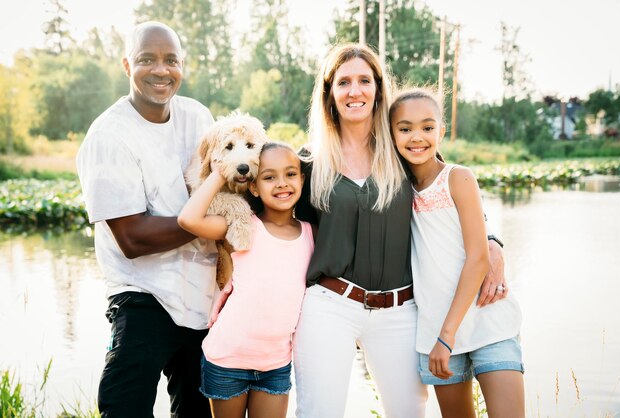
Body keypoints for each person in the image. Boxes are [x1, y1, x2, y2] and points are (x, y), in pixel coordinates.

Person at [293, 43, 509, 418]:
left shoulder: (403, 150)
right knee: (318, 412)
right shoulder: (309, 162)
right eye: (343, 82)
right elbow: (275, 222)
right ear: (329, 93)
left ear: (378, 89)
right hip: (329, 306)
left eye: (364, 80)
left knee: (409, 412)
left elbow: (452, 196)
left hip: (399, 310)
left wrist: (492, 242)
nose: (355, 90)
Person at [76, 21, 216, 417]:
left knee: (197, 410)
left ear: (182, 65)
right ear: (126, 66)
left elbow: (221, 188)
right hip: (141, 297)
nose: (161, 70)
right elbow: (133, 239)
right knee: (124, 408)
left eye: (171, 60)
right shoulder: (108, 136)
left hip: (201, 297)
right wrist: (202, 223)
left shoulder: (197, 117)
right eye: (147, 59)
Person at [389, 86, 525, 417]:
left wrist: (446, 337)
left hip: (486, 322)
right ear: (390, 133)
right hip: (433, 332)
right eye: (405, 128)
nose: (416, 137)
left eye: (427, 127)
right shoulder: (395, 189)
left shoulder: (458, 178)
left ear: (442, 130)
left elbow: (478, 258)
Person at [177, 142, 314, 418]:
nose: (281, 184)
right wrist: (219, 172)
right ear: (253, 186)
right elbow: (189, 219)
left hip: (275, 363)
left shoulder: (312, 233)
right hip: (227, 360)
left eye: (290, 174)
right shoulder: (242, 226)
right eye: (269, 177)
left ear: (302, 179)